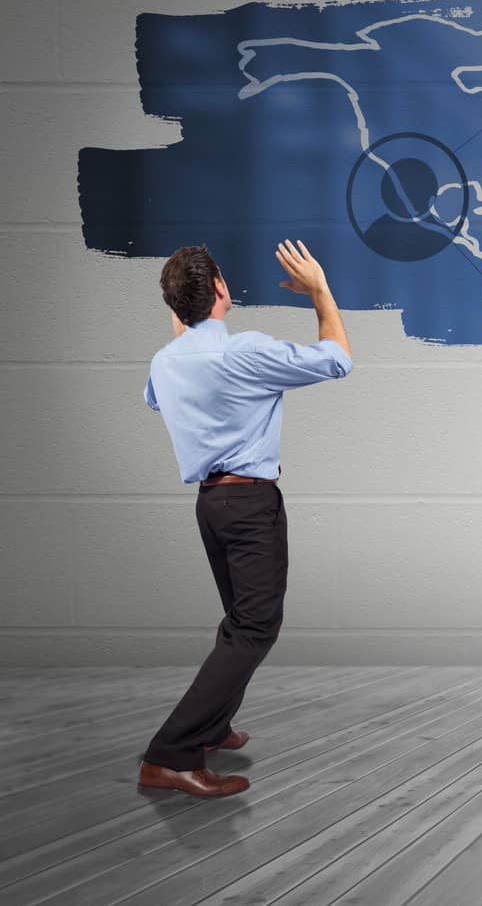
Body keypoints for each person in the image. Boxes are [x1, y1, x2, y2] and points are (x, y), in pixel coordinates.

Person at [136, 241, 353, 798]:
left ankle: (210, 727)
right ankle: (171, 755)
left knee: (238, 620)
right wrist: (320, 291)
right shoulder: (244, 352)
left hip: (211, 505)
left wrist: (187, 316)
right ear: (221, 292)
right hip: (250, 505)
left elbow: (158, 400)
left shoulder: (165, 361)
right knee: (256, 627)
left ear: (175, 305)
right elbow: (337, 360)